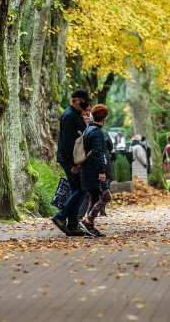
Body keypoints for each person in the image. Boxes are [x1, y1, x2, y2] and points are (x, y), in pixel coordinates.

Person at [52, 89, 94, 236]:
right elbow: (67, 143)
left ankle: (73, 225)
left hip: (73, 159)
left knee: (77, 189)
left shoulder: (74, 114)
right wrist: (73, 164)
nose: (86, 104)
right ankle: (61, 216)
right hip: (71, 160)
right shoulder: (69, 116)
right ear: (76, 100)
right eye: (84, 101)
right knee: (81, 189)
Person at [80, 104, 112, 237]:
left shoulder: (88, 129)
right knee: (106, 197)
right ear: (104, 117)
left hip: (86, 168)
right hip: (94, 170)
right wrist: (101, 172)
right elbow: (98, 154)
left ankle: (89, 226)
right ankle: (88, 221)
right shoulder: (97, 132)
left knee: (93, 197)